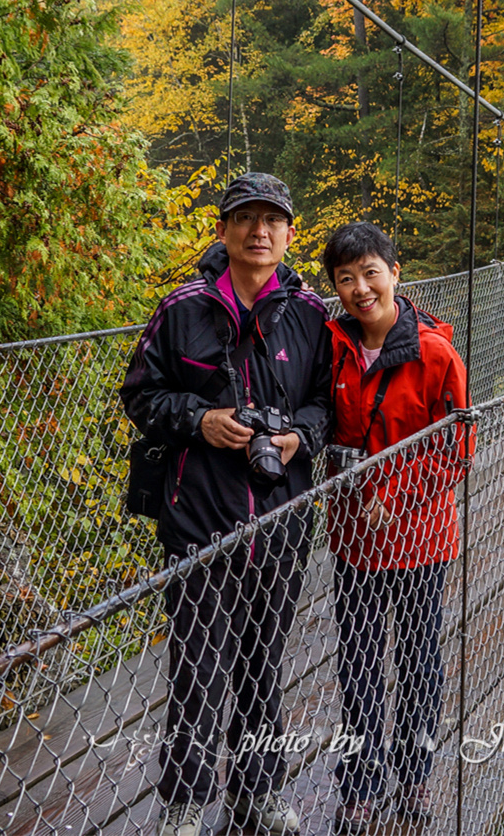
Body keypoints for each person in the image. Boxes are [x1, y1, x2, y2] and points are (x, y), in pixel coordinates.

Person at [119, 173, 332, 836]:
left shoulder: (312, 314)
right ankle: (185, 802)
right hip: (198, 514)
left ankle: (256, 791)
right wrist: (200, 419)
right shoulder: (183, 306)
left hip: (280, 516)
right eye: (245, 218)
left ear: (290, 234)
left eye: (273, 219)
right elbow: (140, 394)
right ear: (223, 229)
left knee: (263, 662)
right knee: (198, 664)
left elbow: (331, 402)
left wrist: (303, 434)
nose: (259, 230)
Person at [320, 222, 470, 834]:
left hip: (420, 540)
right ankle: (359, 784)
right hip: (354, 539)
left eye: (370, 273)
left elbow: (458, 442)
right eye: (346, 279)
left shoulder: (435, 353)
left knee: (416, 662)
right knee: (356, 666)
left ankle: (411, 780)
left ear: (395, 273)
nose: (360, 289)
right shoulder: (329, 346)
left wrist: (397, 494)